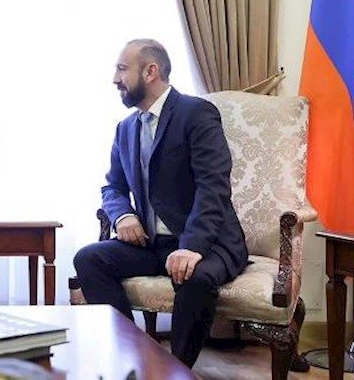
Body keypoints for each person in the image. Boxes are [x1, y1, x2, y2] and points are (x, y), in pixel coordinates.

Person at [72, 39, 248, 368]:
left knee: (195, 278)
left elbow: (213, 185)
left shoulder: (196, 113)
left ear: (150, 71)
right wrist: (123, 215)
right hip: (153, 244)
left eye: (122, 69)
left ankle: (175, 371)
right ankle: (132, 359)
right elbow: (113, 186)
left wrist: (192, 246)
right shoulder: (125, 128)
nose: (115, 79)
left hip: (209, 243)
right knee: (89, 259)